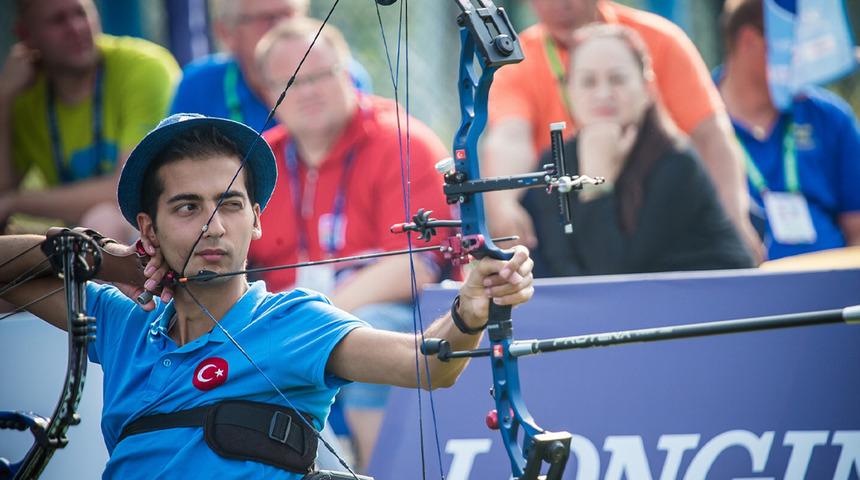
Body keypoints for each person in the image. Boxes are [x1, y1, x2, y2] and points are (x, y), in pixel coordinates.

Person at [0, 113, 535, 479]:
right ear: (150, 226)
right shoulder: (123, 324)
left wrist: (470, 308)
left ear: (256, 220)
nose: (213, 226)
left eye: (230, 204)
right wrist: (121, 260)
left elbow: (428, 366)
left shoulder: (293, 320)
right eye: (187, 207)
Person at [251, 18, 454, 470]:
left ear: (348, 72)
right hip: (287, 325)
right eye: (291, 83)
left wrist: (314, 313)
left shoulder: (403, 140)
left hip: (389, 313)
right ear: (268, 93)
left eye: (320, 75)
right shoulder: (258, 162)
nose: (308, 91)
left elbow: (414, 266)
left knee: (367, 325)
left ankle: (375, 471)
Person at [483, 0, 761, 260]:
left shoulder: (662, 42)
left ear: (646, 85)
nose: (559, 4)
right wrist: (503, 203)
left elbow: (712, 135)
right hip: (574, 201)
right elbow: (508, 138)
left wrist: (735, 215)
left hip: (653, 204)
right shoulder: (517, 61)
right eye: (588, 82)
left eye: (617, 79)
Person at [0, 0, 180, 240]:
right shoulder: (23, 97)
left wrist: (15, 202)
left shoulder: (144, 68)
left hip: (156, 223)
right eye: (58, 20)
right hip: (83, 239)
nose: (76, 28)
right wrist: (3, 101)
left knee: (102, 219)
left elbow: (128, 187)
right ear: (25, 35)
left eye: (81, 13)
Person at [717, 0, 860, 260]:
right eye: (794, 41)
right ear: (749, 40)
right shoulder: (696, 119)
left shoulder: (830, 116)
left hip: (830, 289)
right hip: (738, 289)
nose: (806, 55)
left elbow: (857, 228)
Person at [169, 0, 371, 131]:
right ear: (226, 32)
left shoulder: (339, 73)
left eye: (289, 13)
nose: (283, 26)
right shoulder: (199, 85)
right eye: (266, 19)